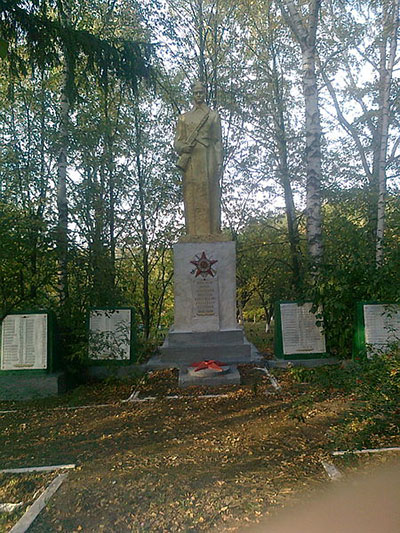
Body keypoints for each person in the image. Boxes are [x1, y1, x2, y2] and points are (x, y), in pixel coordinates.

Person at [174, 81, 223, 237]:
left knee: (210, 192)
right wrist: (183, 148)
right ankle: (193, 232)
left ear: (205, 93)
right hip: (192, 161)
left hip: (208, 158)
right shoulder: (184, 118)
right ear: (192, 95)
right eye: (196, 93)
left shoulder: (213, 116)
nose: (199, 95)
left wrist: (219, 162)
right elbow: (178, 141)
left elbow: (217, 141)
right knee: (191, 194)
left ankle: (212, 231)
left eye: (201, 92)